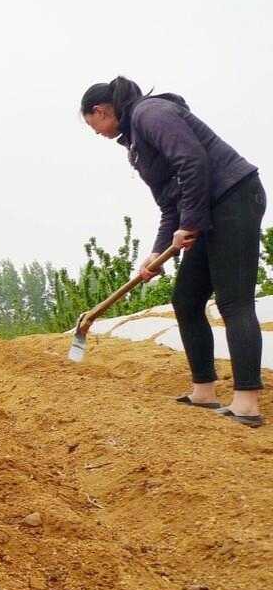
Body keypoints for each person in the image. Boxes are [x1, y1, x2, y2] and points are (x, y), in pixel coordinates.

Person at [82, 76, 265, 428]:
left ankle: (246, 402)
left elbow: (193, 162)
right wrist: (157, 252)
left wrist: (191, 223)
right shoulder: (136, 142)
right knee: (186, 299)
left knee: (234, 301)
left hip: (233, 199)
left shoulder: (151, 113)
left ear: (102, 110)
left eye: (94, 125)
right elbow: (170, 203)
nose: (96, 133)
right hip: (207, 211)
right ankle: (204, 391)